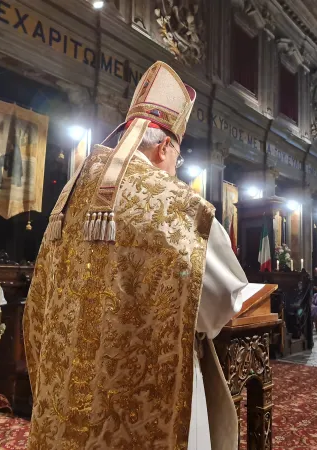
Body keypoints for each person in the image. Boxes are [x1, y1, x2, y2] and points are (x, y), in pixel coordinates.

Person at [23, 61, 261, 449]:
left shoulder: (69, 196)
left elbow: (40, 298)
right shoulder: (176, 206)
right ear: (165, 145)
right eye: (177, 159)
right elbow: (222, 299)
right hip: (151, 390)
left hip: (69, 385)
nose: (175, 169)